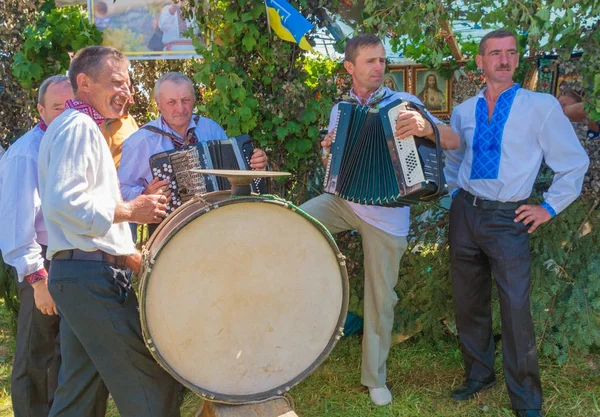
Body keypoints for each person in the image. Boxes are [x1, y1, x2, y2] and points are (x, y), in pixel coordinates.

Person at [301, 33, 460, 406]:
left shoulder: (405, 103)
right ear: (349, 67)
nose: (378, 68)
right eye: (370, 61)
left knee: (380, 298)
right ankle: (303, 316)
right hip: (343, 201)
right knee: (293, 224)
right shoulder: (340, 111)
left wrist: (424, 128)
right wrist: (328, 151)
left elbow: (452, 140)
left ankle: (374, 378)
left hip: (388, 214)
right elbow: (335, 164)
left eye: (382, 61)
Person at [444, 29, 589, 417]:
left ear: (517, 59)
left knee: (515, 308)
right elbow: (455, 161)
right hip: (466, 212)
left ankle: (526, 400)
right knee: (468, 299)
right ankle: (479, 374)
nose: (504, 60)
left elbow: (573, 162)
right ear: (480, 61)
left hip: (509, 218)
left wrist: (549, 208)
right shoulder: (463, 110)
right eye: (495, 53)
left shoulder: (539, 106)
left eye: (510, 53)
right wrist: (454, 196)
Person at [37, 46, 180, 417]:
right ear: (84, 83)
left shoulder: (76, 125)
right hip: (90, 279)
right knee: (153, 386)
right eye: (117, 82)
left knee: (79, 396)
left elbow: (82, 210)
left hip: (79, 274)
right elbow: (63, 204)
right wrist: (133, 209)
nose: (127, 92)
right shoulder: (79, 127)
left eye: (129, 84)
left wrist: (128, 253)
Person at [0, 75, 73, 417]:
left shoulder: (73, 144)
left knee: (62, 354)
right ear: (40, 110)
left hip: (71, 257)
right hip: (41, 261)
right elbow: (17, 228)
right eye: (58, 107)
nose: (66, 113)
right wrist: (37, 279)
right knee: (36, 356)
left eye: (73, 105)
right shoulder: (25, 154)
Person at [118, 72, 268, 202]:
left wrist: (257, 165)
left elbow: (236, 173)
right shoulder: (140, 141)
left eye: (186, 100)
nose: (181, 108)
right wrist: (145, 195)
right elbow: (120, 190)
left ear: (194, 99)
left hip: (217, 216)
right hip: (168, 224)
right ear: (158, 104)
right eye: (171, 102)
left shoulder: (210, 128)